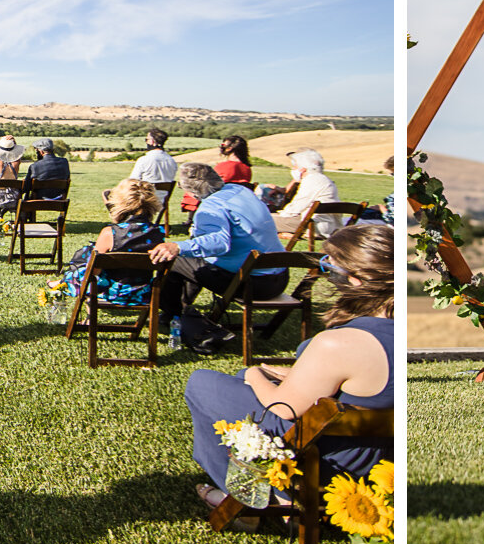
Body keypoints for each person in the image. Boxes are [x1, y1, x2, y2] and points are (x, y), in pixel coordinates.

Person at [184, 224, 394, 514]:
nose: (327, 277)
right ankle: (248, 486)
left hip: (326, 461)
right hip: (374, 458)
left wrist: (253, 373)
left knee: (202, 382)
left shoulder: (340, 343)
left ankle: (251, 499)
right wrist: (291, 376)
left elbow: (284, 409)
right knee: (237, 384)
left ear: (356, 280)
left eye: (330, 269)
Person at [148, 163, 287, 341]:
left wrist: (178, 247)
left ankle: (176, 314)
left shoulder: (210, 207)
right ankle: (181, 310)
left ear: (192, 192)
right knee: (194, 260)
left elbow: (219, 243)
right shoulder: (240, 190)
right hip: (279, 277)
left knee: (177, 260)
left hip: (251, 284)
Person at [52, 179, 168, 307]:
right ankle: (61, 282)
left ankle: (64, 284)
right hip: (144, 294)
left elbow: (94, 271)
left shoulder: (110, 233)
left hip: (113, 293)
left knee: (84, 265)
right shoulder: (159, 232)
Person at [271, 148, 341, 237]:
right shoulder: (324, 179)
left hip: (315, 226)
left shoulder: (311, 180)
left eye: (295, 167)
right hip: (328, 224)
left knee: (262, 219)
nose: (293, 169)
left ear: (303, 169)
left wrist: (281, 214)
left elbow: (296, 207)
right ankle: (283, 234)